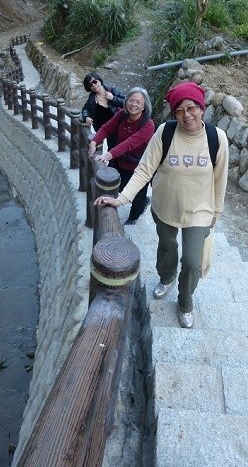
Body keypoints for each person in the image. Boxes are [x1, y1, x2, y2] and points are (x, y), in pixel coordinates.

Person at [94, 81, 229, 329]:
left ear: (202, 108)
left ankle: (185, 301)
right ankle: (166, 278)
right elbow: (144, 169)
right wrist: (121, 199)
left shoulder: (216, 138)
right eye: (180, 110)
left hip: (200, 210)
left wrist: (216, 213)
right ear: (174, 113)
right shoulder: (165, 132)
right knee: (167, 247)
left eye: (191, 108)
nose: (186, 115)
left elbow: (220, 179)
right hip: (166, 206)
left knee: (191, 261)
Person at [89, 87, 155, 225]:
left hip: (139, 167)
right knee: (119, 187)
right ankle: (140, 202)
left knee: (137, 194)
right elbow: (106, 128)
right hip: (120, 161)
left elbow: (130, 143)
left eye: (138, 102)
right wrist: (95, 141)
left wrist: (108, 155)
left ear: (144, 106)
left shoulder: (148, 125)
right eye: (131, 100)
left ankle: (134, 216)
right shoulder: (121, 115)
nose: (134, 104)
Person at [81, 72, 125, 149]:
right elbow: (86, 108)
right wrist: (86, 117)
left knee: (119, 148)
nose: (94, 85)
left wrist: (113, 98)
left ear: (99, 80)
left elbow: (126, 102)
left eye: (95, 82)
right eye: (90, 85)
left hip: (118, 127)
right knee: (111, 149)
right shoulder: (92, 98)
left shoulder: (112, 90)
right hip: (105, 130)